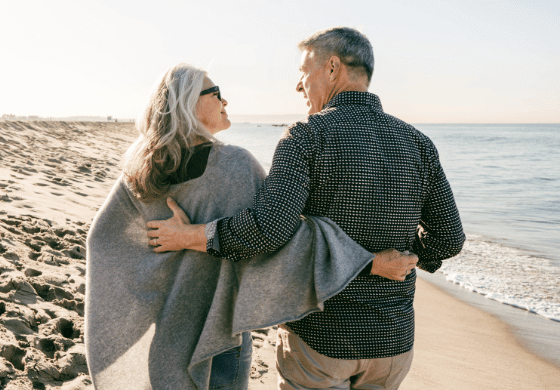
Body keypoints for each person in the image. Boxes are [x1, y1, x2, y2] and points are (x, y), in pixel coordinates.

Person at [146, 28, 465, 390]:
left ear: (332, 69)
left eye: (303, 71)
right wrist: (407, 258)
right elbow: (449, 239)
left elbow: (269, 230)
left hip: (322, 339)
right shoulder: (419, 143)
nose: (299, 85)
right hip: (393, 343)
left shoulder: (306, 136)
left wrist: (191, 235)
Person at [84, 63, 417, 390]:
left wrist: (163, 264)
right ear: (188, 103)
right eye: (215, 93)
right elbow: (282, 238)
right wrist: (369, 261)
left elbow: (102, 241)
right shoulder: (233, 166)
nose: (225, 101)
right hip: (216, 337)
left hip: (165, 333)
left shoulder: (141, 169)